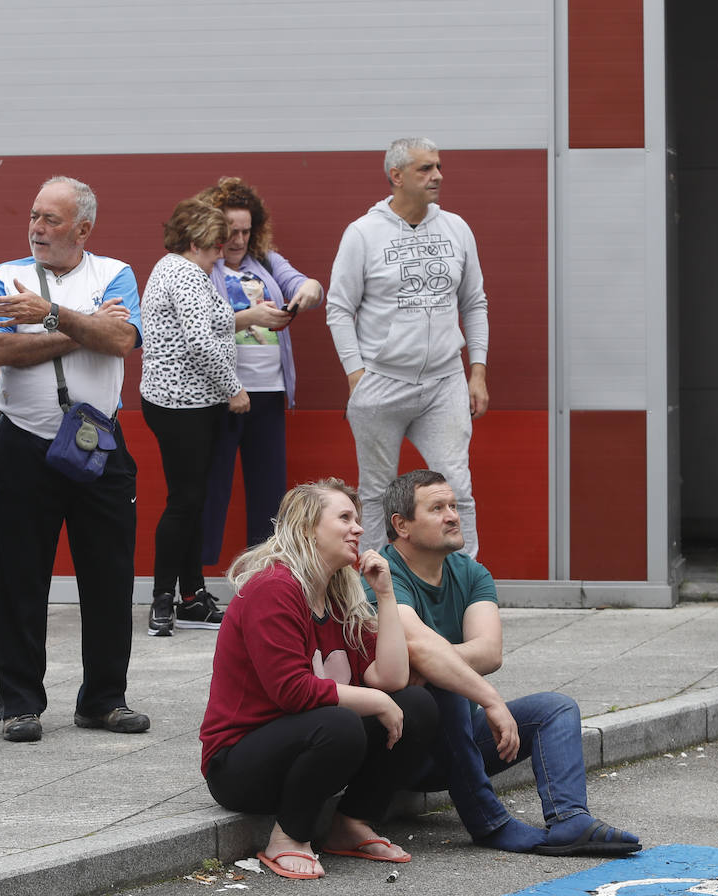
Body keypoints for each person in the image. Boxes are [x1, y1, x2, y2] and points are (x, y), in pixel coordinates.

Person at [370, 469, 641, 858]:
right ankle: (489, 823)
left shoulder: (470, 572)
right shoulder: (381, 574)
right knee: (443, 687)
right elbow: (415, 643)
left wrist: (433, 662)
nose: (453, 516)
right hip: (402, 747)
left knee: (555, 709)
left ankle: (570, 819)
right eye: (437, 508)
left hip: (460, 739)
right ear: (402, 525)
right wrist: (488, 698)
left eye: (453, 506)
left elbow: (489, 652)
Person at [0, 176, 150, 741]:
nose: (36, 228)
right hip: (24, 442)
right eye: (33, 215)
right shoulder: (5, 277)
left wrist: (48, 314)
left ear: (83, 229)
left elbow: (122, 341)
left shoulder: (116, 273)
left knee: (109, 576)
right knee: (18, 575)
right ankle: (19, 703)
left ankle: (104, 699)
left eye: (50, 219)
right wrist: (85, 327)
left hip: (98, 441)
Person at [199, 479, 436, 880]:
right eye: (344, 518)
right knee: (340, 721)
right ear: (308, 528)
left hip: (308, 750)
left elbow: (392, 678)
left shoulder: (338, 595)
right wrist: (376, 701)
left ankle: (350, 823)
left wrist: (386, 594)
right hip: (239, 765)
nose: (358, 528)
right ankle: (288, 838)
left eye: (357, 519)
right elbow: (293, 692)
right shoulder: (273, 587)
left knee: (417, 706)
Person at [326, 137, 489, 556]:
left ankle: (466, 582)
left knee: (456, 487)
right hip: (382, 380)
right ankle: (371, 584)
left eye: (438, 167)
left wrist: (477, 371)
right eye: (425, 169)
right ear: (396, 176)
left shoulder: (456, 228)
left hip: (444, 380)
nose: (437, 176)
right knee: (377, 492)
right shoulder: (363, 233)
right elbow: (339, 308)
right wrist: (357, 375)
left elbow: (474, 302)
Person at [196, 177, 323, 566]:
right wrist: (250, 317)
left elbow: (307, 285)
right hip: (221, 393)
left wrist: (307, 291)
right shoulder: (202, 265)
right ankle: (195, 581)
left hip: (269, 391)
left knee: (269, 493)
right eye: (230, 231)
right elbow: (198, 326)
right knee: (211, 491)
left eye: (246, 231)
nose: (238, 240)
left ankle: (264, 576)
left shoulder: (265, 261)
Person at [139, 199, 248, 637]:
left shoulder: (170, 268)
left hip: (180, 402)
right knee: (185, 503)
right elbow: (200, 342)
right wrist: (234, 389)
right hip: (184, 405)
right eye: (217, 243)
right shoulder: (185, 274)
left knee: (191, 500)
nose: (222, 251)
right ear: (196, 241)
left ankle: (191, 597)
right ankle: (163, 599)